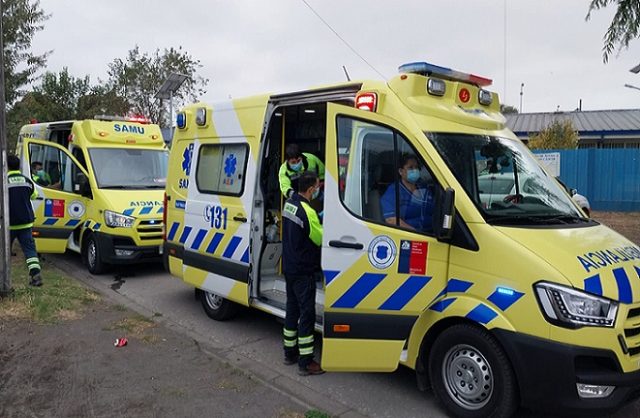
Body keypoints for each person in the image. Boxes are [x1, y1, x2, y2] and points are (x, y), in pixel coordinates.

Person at [281, 172, 325, 376]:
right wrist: (321, 220)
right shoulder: (308, 211)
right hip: (303, 269)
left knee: (292, 310)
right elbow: (319, 238)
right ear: (310, 190)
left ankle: (289, 353)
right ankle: (306, 362)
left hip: (289, 266)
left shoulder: (289, 203)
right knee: (307, 313)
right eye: (317, 187)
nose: (318, 190)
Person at [7, 154, 43, 286]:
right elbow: (34, 196)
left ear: (7, 166)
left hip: (8, 224)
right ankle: (36, 276)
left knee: (3, 251)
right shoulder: (27, 181)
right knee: (30, 251)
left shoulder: (4, 180)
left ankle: (3, 278)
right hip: (26, 222)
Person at [380, 153, 435, 232]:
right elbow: (391, 220)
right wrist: (415, 232)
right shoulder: (394, 191)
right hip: (412, 235)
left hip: (434, 234)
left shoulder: (423, 187)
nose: (415, 170)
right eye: (410, 168)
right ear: (401, 171)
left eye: (416, 167)